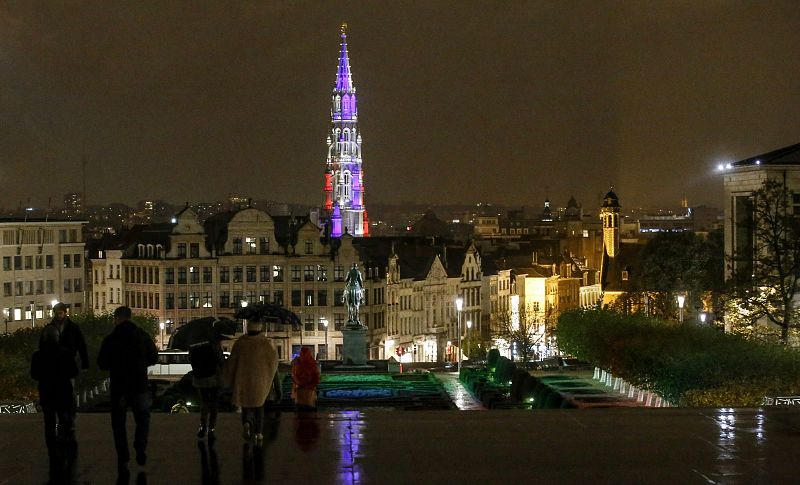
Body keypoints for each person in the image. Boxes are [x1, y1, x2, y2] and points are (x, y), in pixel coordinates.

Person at [97, 306, 158, 473]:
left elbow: (102, 362)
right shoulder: (142, 336)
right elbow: (154, 357)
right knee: (143, 418)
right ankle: (140, 446)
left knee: (118, 423)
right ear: (130, 317)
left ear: (117, 318)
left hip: (119, 386)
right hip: (139, 384)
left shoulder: (111, 339)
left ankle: (123, 455)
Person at [225, 320, 278, 445]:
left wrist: (229, 378)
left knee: (245, 407)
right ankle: (259, 433)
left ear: (247, 329)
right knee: (259, 407)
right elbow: (274, 361)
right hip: (260, 382)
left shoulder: (240, 343)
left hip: (243, 381)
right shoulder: (264, 343)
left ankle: (247, 423)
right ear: (259, 329)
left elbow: (232, 362)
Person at [31, 324, 79, 459]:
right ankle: (64, 443)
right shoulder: (66, 354)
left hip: (46, 392)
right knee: (64, 419)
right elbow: (74, 372)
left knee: (49, 423)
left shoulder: (38, 355)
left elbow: (34, 374)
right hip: (63, 392)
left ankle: (52, 450)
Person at [189, 335, 225, 441]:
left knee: (204, 402)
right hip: (213, 377)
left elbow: (190, 358)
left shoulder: (194, 342)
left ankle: (202, 426)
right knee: (214, 403)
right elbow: (220, 359)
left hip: (200, 377)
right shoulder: (214, 342)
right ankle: (211, 429)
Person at [42, 302, 89, 372]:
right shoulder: (49, 328)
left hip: (69, 361)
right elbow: (43, 345)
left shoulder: (73, 328)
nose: (58, 315)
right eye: (57, 313)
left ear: (65, 312)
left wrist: (85, 364)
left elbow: (81, 345)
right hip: (55, 363)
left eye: (60, 313)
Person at [291, 347, 321, 411]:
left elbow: (294, 376)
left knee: (300, 414)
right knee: (309, 414)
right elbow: (317, 378)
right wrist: (310, 385)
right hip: (310, 393)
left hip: (300, 392)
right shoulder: (312, 363)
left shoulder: (297, 364)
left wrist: (299, 383)